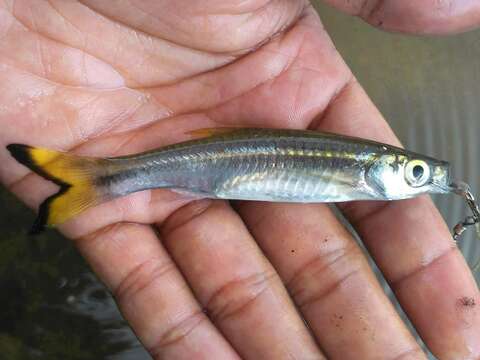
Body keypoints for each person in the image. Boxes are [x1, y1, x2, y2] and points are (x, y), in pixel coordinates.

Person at [2, 1, 479, 359]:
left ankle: (99, 182)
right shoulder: (356, 171)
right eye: (416, 172)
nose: (423, 179)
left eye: (421, 175)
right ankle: (102, 181)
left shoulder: (361, 170)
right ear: (379, 167)